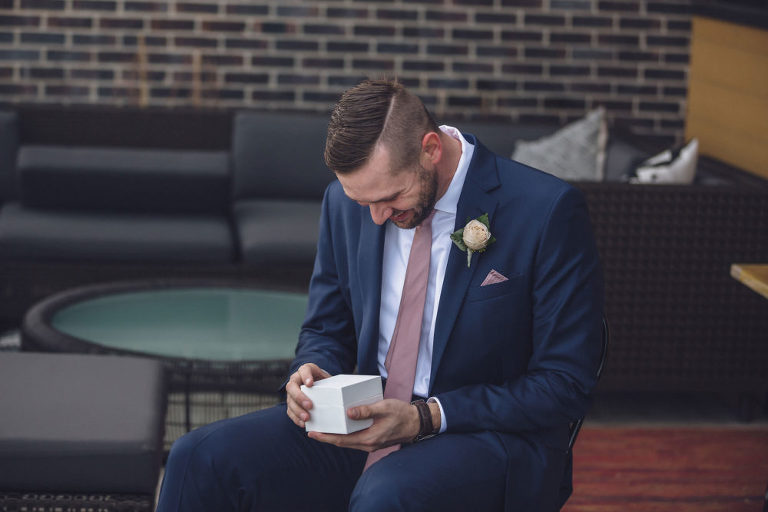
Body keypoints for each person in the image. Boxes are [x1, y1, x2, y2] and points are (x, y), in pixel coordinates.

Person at [156, 79, 604, 512]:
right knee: (199, 457)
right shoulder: (344, 203)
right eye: (361, 201)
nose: (375, 218)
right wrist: (311, 369)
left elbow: (564, 384)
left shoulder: (546, 211)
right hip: (368, 420)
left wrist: (426, 417)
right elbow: (326, 326)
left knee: (388, 495)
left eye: (390, 198)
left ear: (430, 149)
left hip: (489, 435)